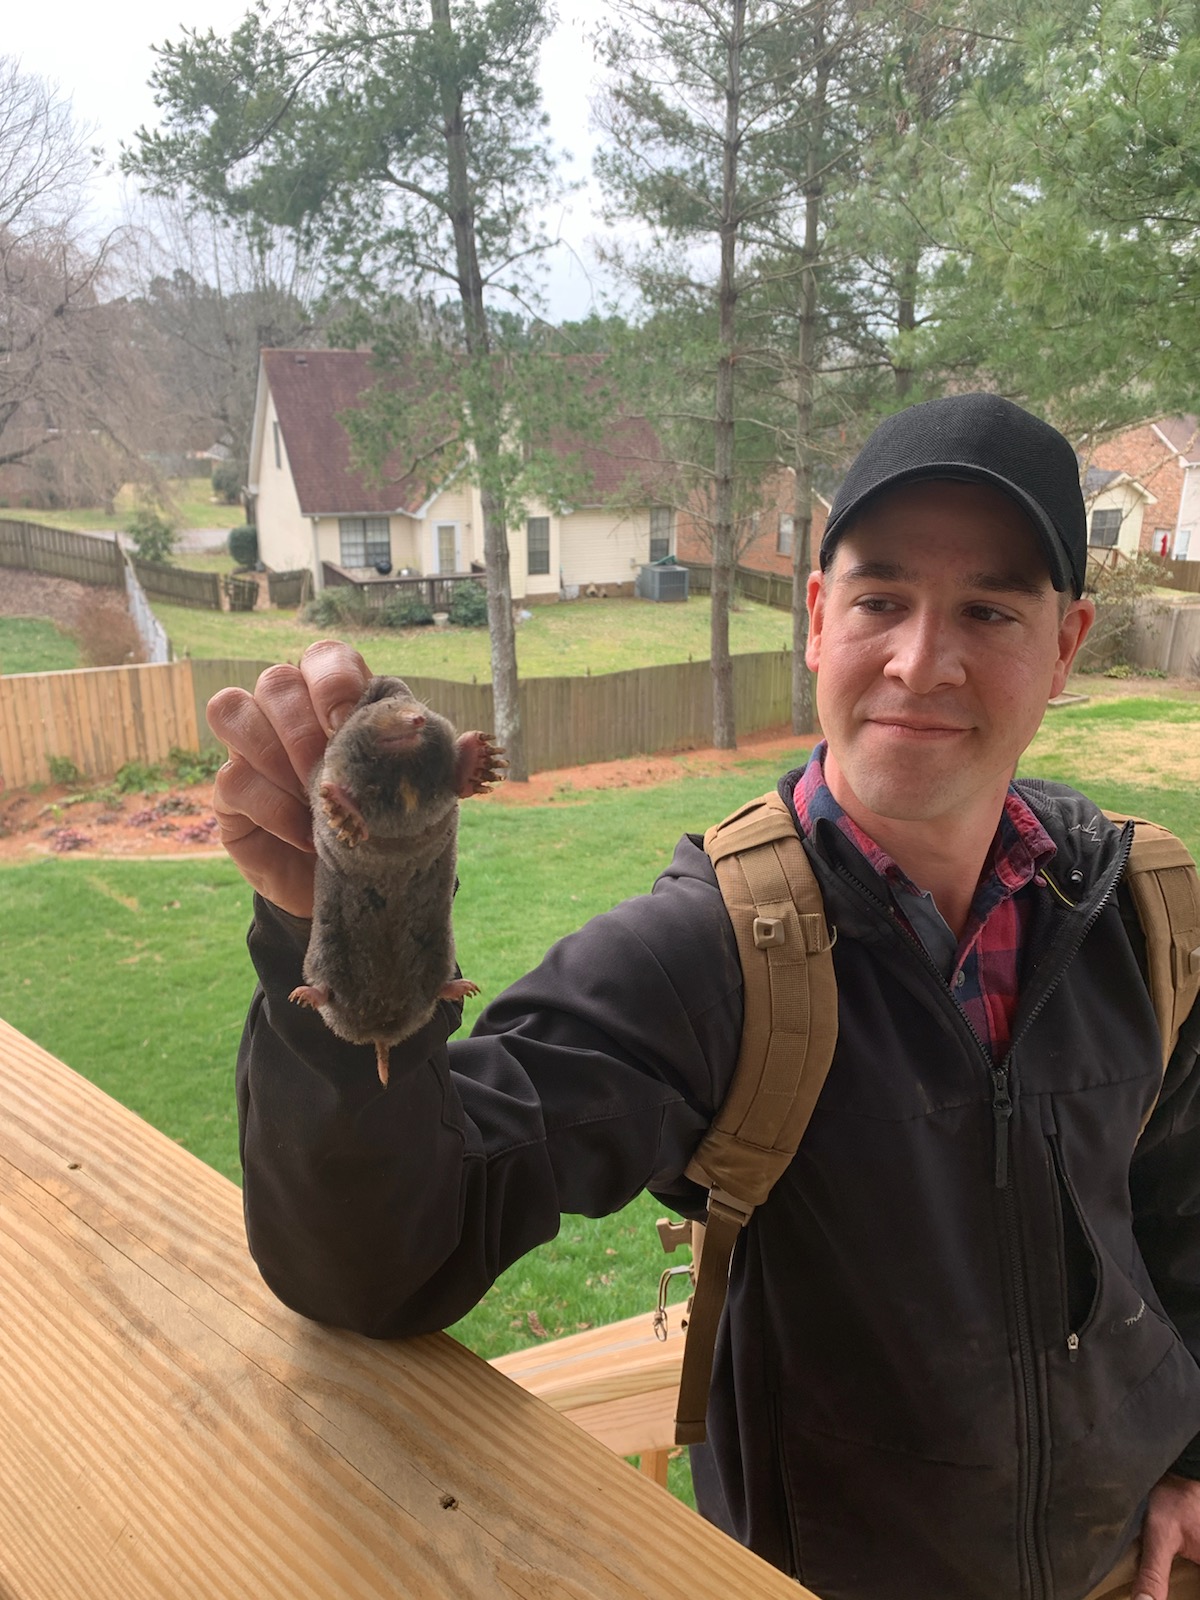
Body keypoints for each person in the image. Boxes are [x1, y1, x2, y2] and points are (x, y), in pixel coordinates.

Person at [210, 393, 1200, 1600]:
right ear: (820, 619)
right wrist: (356, 934)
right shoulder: (718, 954)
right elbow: (386, 1255)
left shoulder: (1138, 912)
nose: (920, 659)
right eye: (881, 598)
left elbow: (1180, 1210)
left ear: (1067, 643)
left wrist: (1188, 1452)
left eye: (989, 609)